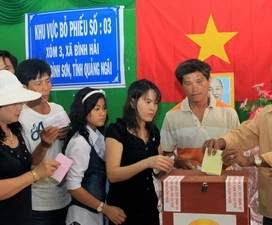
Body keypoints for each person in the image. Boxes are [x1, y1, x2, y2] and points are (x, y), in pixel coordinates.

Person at [203, 58, 272, 225]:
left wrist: (250, 160)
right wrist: (221, 142)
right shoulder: (267, 113)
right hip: (271, 206)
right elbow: (244, 133)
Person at [105, 79, 174, 225]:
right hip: (123, 210)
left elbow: (156, 172)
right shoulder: (117, 130)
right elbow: (113, 175)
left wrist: (166, 165)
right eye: (147, 102)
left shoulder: (153, 131)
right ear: (132, 102)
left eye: (155, 103)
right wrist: (147, 163)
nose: (152, 108)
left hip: (149, 206)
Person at [0, 70, 60, 225]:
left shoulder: (14, 129)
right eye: (14, 103)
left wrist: (44, 145)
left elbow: (27, 164)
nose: (20, 107)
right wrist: (35, 175)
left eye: (21, 102)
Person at [15, 59, 71, 225]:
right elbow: (25, 164)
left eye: (48, 81)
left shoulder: (58, 109)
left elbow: (68, 149)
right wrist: (44, 144)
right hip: (36, 201)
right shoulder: (19, 118)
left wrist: (67, 136)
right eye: (38, 83)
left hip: (63, 196)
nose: (46, 87)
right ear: (24, 87)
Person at [161, 58, 240, 169]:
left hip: (223, 179)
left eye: (199, 81)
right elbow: (166, 153)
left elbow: (237, 149)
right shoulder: (172, 116)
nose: (195, 89)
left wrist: (222, 165)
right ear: (181, 86)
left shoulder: (229, 113)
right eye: (188, 83)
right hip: (188, 180)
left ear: (209, 80)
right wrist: (181, 162)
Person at [63, 87, 126, 225]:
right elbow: (73, 187)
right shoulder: (79, 142)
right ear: (83, 110)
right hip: (82, 215)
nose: (102, 113)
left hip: (96, 213)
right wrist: (105, 209)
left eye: (104, 108)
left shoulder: (99, 136)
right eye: (96, 109)